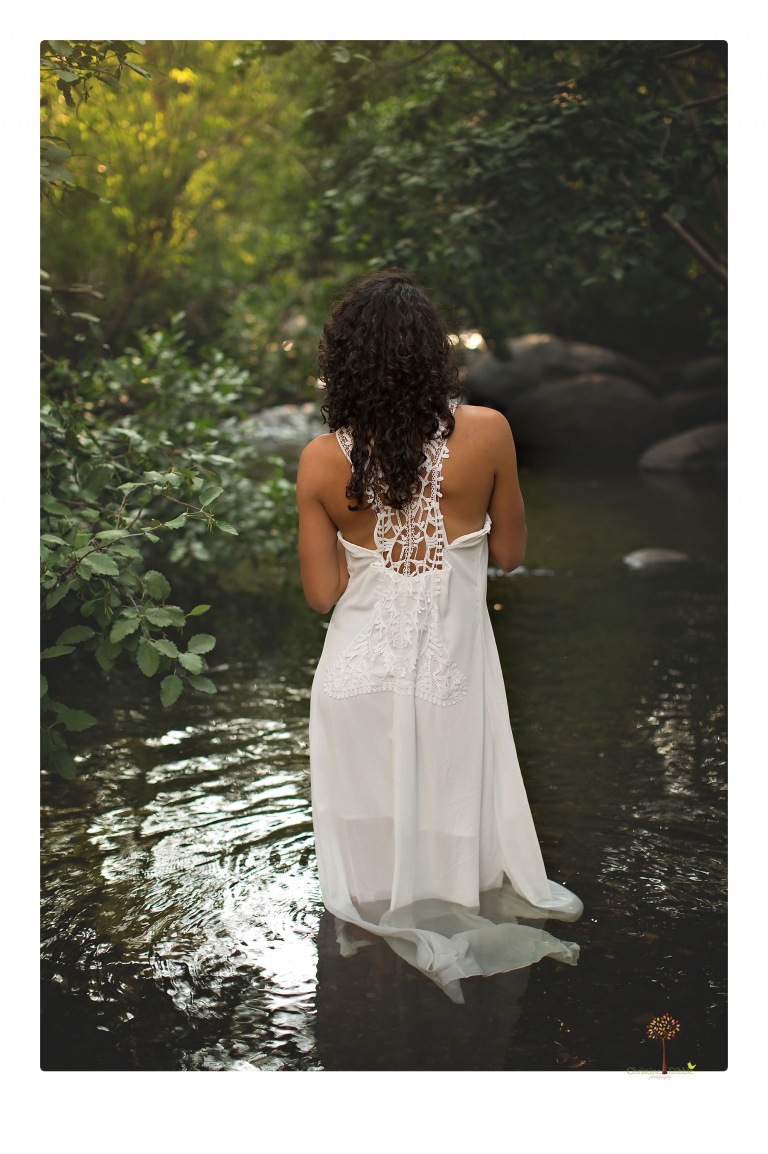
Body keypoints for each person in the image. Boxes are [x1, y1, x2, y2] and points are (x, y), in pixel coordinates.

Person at [297, 269, 582, 1005]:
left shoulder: (321, 458)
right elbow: (510, 554)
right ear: (434, 354)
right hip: (449, 674)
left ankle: (373, 994)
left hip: (355, 680)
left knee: (369, 869)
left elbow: (323, 594)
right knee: (453, 846)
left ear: (344, 361)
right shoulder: (489, 432)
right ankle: (443, 1006)